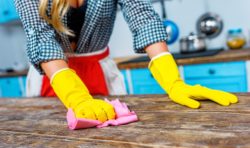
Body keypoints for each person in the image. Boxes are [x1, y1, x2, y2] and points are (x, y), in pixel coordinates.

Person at [15, 0, 238, 123]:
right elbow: (41, 37)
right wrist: (77, 99)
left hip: (99, 70)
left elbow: (143, 17)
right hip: (54, 75)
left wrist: (173, 82)